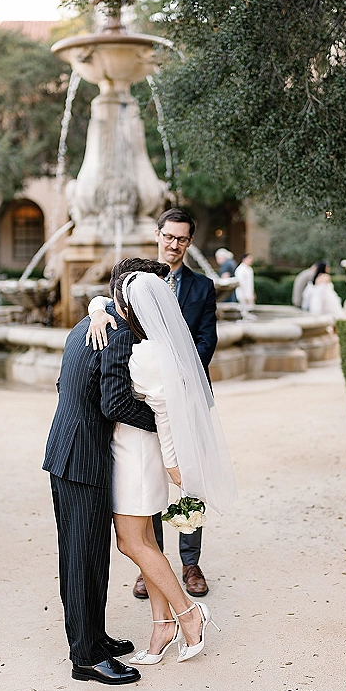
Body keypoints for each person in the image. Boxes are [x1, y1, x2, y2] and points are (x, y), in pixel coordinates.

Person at [43, 257, 168, 685]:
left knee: (87, 555)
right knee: (84, 558)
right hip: (83, 458)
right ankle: (86, 657)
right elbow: (114, 403)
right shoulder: (115, 334)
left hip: (68, 449)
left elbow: (67, 386)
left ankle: (93, 637)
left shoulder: (93, 321)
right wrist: (165, 422)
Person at [86, 207, 217, 599]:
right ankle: (152, 561)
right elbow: (107, 301)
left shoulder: (202, 287)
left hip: (187, 395)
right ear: (157, 234)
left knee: (188, 478)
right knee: (154, 477)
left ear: (190, 242)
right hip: (150, 398)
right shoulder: (136, 280)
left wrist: (175, 376)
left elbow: (206, 341)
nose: (174, 244)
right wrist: (96, 311)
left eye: (182, 239)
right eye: (168, 236)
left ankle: (191, 562)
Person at [110, 271, 237, 665]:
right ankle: (161, 625)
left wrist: (173, 464)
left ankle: (188, 614)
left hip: (137, 455)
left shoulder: (146, 354)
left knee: (131, 543)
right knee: (145, 543)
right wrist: (99, 308)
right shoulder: (155, 346)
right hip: (133, 450)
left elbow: (164, 413)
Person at [234, 253, 256, 319]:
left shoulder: (249, 269)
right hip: (242, 292)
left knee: (249, 308)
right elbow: (241, 282)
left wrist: (251, 293)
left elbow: (250, 283)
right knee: (243, 308)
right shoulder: (240, 269)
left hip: (249, 291)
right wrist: (246, 294)